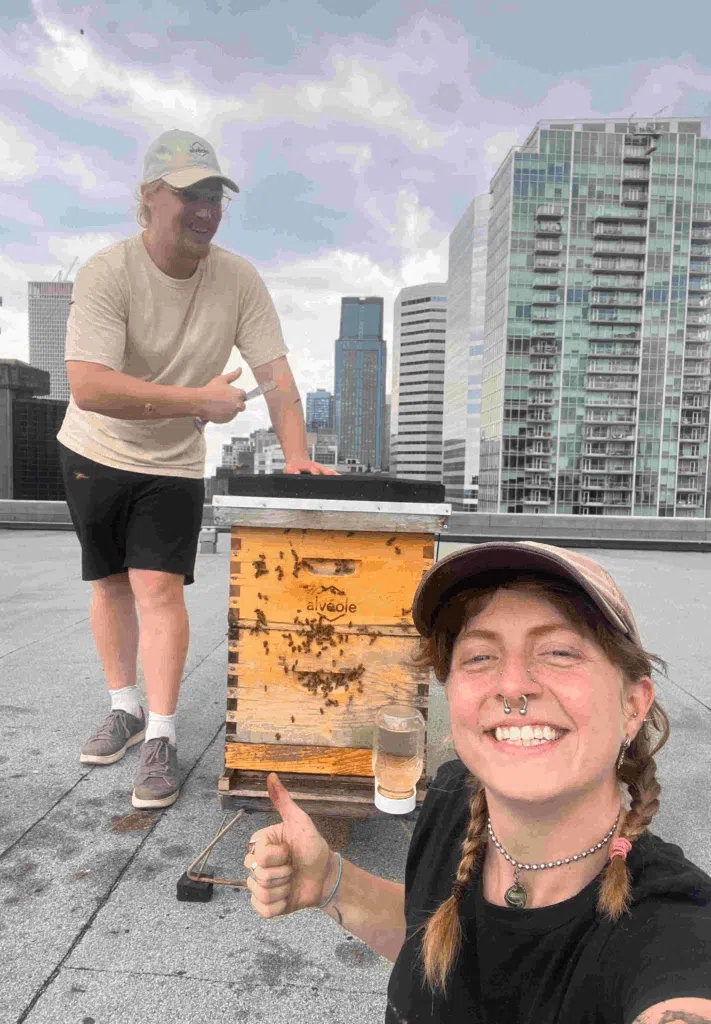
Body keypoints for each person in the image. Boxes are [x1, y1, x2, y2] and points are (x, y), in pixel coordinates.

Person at [243, 541, 711, 1023]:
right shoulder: (452, 797)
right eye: (480, 656)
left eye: (558, 651)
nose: (512, 686)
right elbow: (431, 945)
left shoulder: (676, 925)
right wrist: (330, 881)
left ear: (633, 704)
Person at [58, 128, 337, 811]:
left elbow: (275, 376)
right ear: (149, 198)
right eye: (190, 195)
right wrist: (199, 402)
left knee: (158, 588)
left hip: (174, 462)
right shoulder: (107, 271)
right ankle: (122, 707)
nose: (206, 210)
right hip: (94, 449)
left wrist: (296, 455)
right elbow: (88, 386)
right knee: (109, 583)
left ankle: (159, 733)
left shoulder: (238, 278)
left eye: (215, 196)